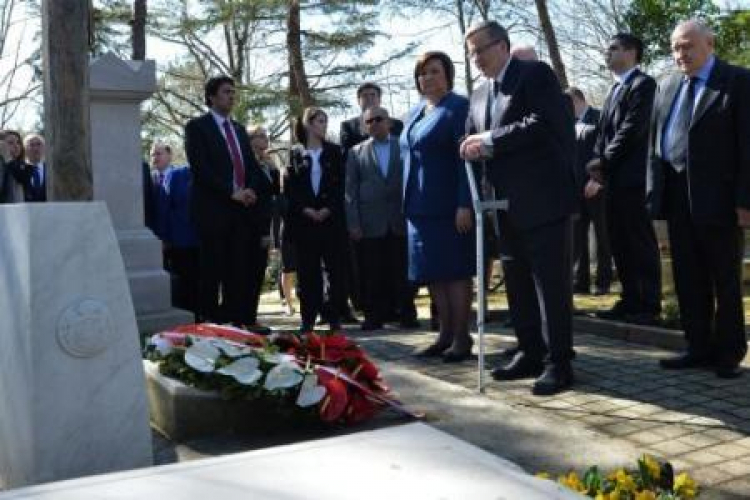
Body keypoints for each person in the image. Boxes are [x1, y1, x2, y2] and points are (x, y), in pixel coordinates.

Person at [460, 21, 577, 395]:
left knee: (550, 284)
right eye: (471, 52)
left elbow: (544, 123)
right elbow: (471, 135)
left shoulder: (534, 74)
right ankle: (529, 351)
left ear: (502, 45)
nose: (475, 58)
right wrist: (467, 145)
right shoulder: (478, 95)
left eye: (480, 49)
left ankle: (559, 362)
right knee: (517, 283)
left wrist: (490, 140)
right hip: (501, 204)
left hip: (542, 199)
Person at [647, 20, 750, 379]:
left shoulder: (737, 81)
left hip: (721, 201)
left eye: (687, 46)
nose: (680, 54)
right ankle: (697, 346)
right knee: (688, 277)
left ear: (710, 43)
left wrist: (745, 201)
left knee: (725, 278)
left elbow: (748, 146)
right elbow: (654, 145)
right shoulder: (667, 85)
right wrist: (654, 199)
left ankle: (729, 352)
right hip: (677, 199)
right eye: (675, 47)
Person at [402, 51, 474, 363]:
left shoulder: (458, 108)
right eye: (422, 73)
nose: (427, 78)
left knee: (455, 273)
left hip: (448, 207)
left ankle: (462, 337)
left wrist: (464, 203)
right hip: (418, 209)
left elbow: (465, 162)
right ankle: (444, 334)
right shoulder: (416, 111)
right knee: (434, 274)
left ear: (448, 75)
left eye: (434, 71)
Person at [586, 33, 661, 325]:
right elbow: (602, 133)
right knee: (618, 240)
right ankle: (630, 299)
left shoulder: (644, 85)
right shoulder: (613, 89)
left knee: (639, 240)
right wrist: (596, 164)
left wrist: (603, 160)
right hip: (613, 181)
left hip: (634, 179)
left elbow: (633, 129)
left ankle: (648, 304)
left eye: (613, 49)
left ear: (632, 52)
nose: (607, 54)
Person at [184, 76, 266, 327]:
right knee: (212, 272)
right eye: (226, 92)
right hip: (213, 212)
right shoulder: (197, 127)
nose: (232, 96)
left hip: (241, 213)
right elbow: (201, 168)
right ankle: (208, 324)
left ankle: (236, 324)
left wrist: (251, 188)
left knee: (237, 272)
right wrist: (231, 192)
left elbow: (251, 165)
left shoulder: (239, 129)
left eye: (233, 92)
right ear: (211, 97)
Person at [345, 106, 416, 331]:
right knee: (372, 273)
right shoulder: (356, 152)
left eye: (378, 119)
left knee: (403, 271)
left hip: (400, 219)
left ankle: (407, 314)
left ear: (389, 122)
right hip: (370, 222)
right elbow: (350, 191)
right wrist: (353, 223)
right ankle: (373, 316)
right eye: (369, 121)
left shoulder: (404, 145)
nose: (374, 123)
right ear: (364, 126)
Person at [284, 107, 347, 332]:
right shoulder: (296, 153)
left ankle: (333, 316)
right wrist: (306, 209)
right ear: (309, 124)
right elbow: (291, 188)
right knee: (307, 272)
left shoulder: (335, 151)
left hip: (330, 221)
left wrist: (328, 209)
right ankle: (308, 318)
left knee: (334, 270)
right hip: (305, 222)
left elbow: (341, 185)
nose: (324, 125)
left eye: (325, 121)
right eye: (320, 121)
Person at [566, 87, 612, 296]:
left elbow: (605, 149)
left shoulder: (599, 118)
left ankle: (603, 281)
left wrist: (597, 179)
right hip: (575, 190)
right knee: (577, 236)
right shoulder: (568, 123)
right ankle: (579, 281)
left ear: (577, 100)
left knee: (603, 236)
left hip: (597, 188)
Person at [149, 142, 200, 316]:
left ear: (170, 155)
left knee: (198, 282)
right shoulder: (169, 177)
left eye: (159, 154)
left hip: (199, 238)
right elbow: (163, 209)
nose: (155, 158)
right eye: (153, 154)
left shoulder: (183, 175)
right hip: (177, 241)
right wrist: (163, 237)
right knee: (182, 282)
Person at [246, 125, 281, 334]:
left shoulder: (268, 165)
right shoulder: (249, 165)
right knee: (250, 271)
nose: (265, 139)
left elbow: (275, 192)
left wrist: (273, 167)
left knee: (259, 270)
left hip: (267, 222)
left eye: (266, 135)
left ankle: (253, 315)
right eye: (260, 136)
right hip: (252, 225)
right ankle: (246, 317)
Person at [1, 130, 30, 203]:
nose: (16, 146)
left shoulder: (24, 166)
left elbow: (22, 178)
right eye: (10, 143)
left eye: (18, 142)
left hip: (16, 211)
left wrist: (8, 159)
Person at [22, 134, 47, 202]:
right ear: (24, 148)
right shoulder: (19, 169)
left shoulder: (51, 170)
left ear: (44, 148)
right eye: (31, 145)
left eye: (39, 144)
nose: (35, 148)